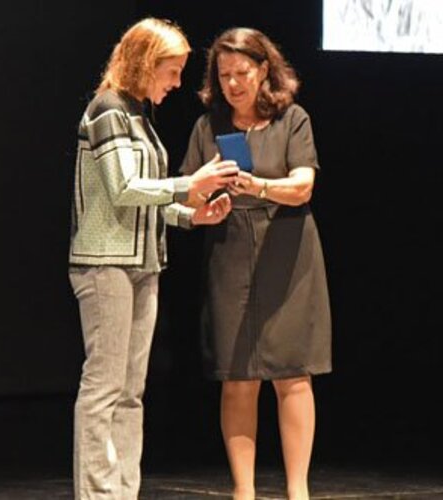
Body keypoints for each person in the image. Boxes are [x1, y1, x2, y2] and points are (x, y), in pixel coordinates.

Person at [68, 18, 239, 500]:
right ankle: (97, 494)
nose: (177, 82)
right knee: (104, 387)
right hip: (105, 263)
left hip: (141, 264)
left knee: (130, 391)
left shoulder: (137, 114)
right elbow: (123, 189)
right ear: (146, 63)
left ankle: (123, 491)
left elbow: (146, 199)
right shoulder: (108, 110)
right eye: (172, 70)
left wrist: (191, 215)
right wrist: (191, 184)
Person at [180, 27, 332, 500]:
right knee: (238, 376)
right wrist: (207, 191)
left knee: (293, 373)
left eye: (242, 72)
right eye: (224, 74)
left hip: (287, 248)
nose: (232, 83)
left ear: (264, 70)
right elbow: (186, 193)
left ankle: (298, 490)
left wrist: (257, 185)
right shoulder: (208, 126)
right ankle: (242, 490)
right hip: (230, 249)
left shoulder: (293, 120)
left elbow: (303, 187)